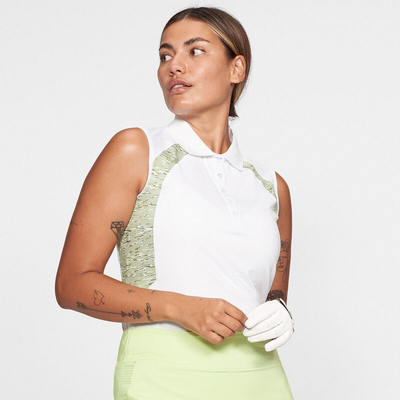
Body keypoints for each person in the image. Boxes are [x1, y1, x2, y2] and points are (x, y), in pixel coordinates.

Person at [55, 6, 295, 400]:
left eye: (194, 51)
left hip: (261, 375)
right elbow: (72, 284)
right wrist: (179, 308)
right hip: (162, 375)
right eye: (165, 55)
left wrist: (281, 310)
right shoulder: (136, 151)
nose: (174, 66)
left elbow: (273, 294)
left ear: (237, 69)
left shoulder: (270, 185)